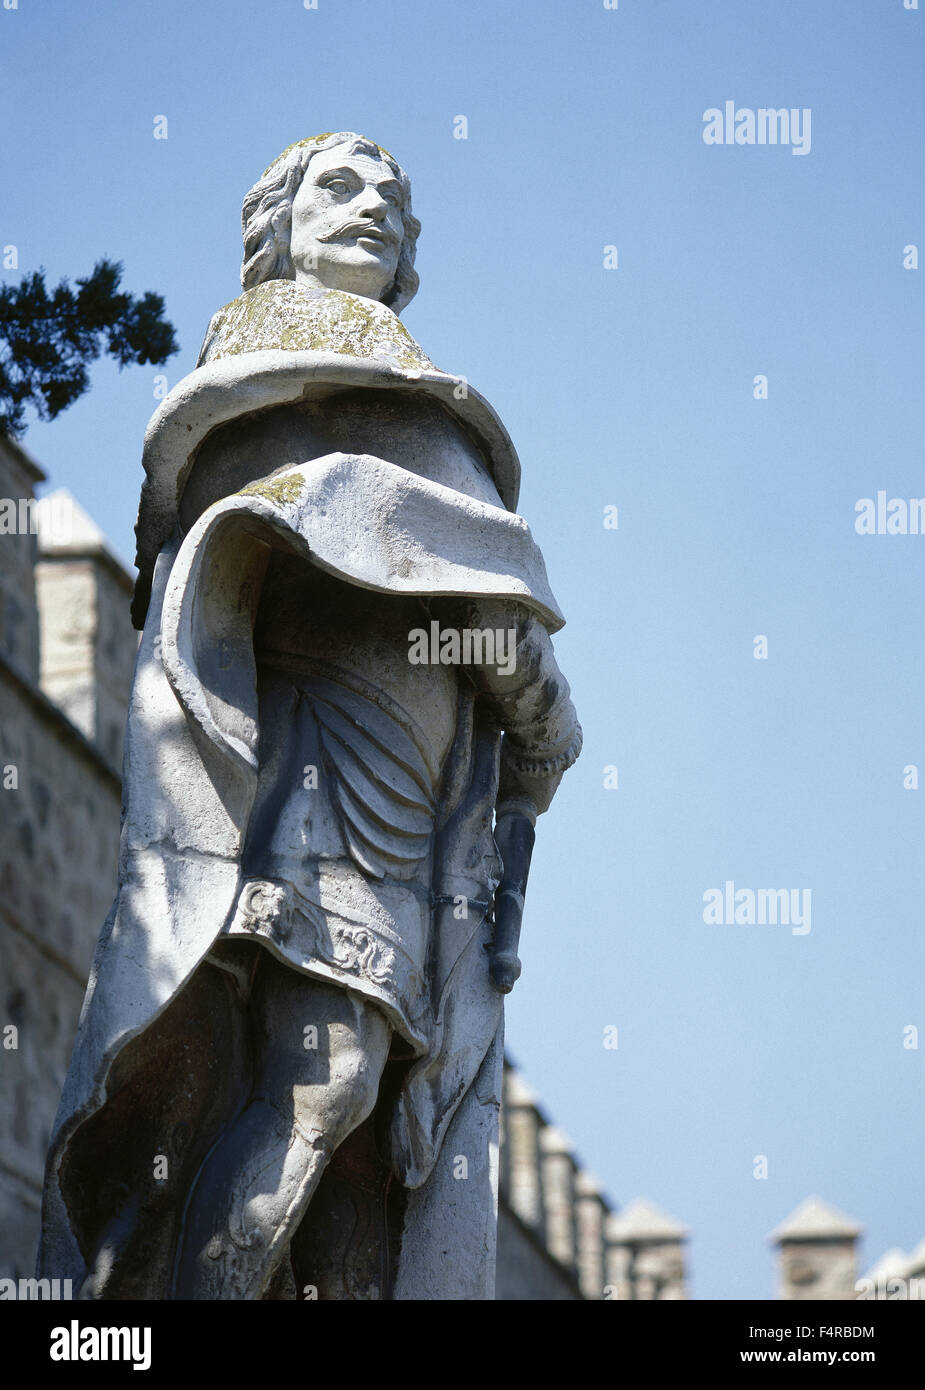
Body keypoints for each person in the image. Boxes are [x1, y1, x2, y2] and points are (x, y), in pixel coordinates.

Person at [37, 133, 581, 1300]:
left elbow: (466, 592)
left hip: (417, 838)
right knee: (318, 1091)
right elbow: (325, 541)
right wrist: (515, 667)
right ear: (276, 224)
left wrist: (518, 680)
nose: (373, 204)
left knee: (363, 1171)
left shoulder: (432, 418)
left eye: (395, 194)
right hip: (314, 804)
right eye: (339, 184)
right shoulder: (255, 383)